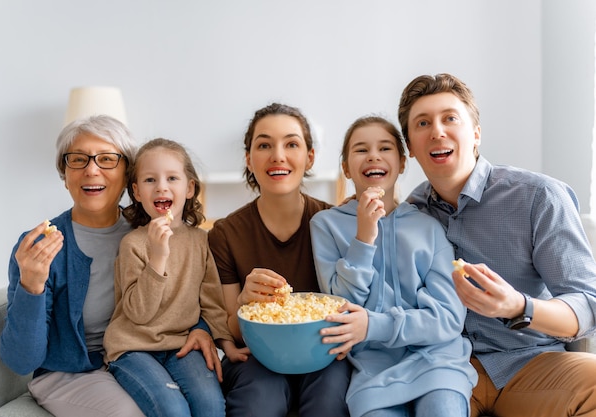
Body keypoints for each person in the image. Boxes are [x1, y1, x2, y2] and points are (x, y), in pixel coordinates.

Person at [400, 73, 596, 417]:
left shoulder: (538, 196)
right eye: (422, 123)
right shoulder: (411, 212)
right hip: (447, 368)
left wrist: (518, 306)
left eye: (450, 118)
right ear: (412, 148)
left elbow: (588, 305)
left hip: (530, 364)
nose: (437, 131)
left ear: (475, 134)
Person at [0, 116, 220, 417]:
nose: (91, 169)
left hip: (144, 357)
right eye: (77, 160)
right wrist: (32, 285)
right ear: (64, 175)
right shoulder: (40, 246)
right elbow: (22, 361)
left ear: (128, 175)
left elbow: (192, 291)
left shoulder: (152, 231)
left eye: (106, 159)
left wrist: (202, 328)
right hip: (75, 374)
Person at [310, 116, 477, 417]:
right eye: (361, 150)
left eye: (384, 148)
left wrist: (373, 325)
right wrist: (364, 237)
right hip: (373, 376)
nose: (373, 155)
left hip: (438, 364)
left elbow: (450, 318)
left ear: (401, 163)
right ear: (346, 168)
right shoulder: (326, 225)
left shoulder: (429, 226)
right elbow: (342, 307)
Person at [207, 102, 352, 417]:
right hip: (258, 358)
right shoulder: (225, 234)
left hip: (325, 355)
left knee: (328, 402)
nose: (278, 155)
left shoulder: (336, 222)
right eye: (264, 145)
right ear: (249, 159)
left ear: (309, 156)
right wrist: (245, 300)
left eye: (291, 144)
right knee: (259, 403)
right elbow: (232, 331)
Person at [103, 138, 246, 417]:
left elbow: (212, 304)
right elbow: (139, 314)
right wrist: (157, 258)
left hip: (181, 345)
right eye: (149, 180)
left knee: (212, 407)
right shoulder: (132, 244)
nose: (161, 186)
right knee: (173, 410)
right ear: (137, 192)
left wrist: (227, 346)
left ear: (189, 188)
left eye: (172, 178)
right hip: (133, 348)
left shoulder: (201, 241)